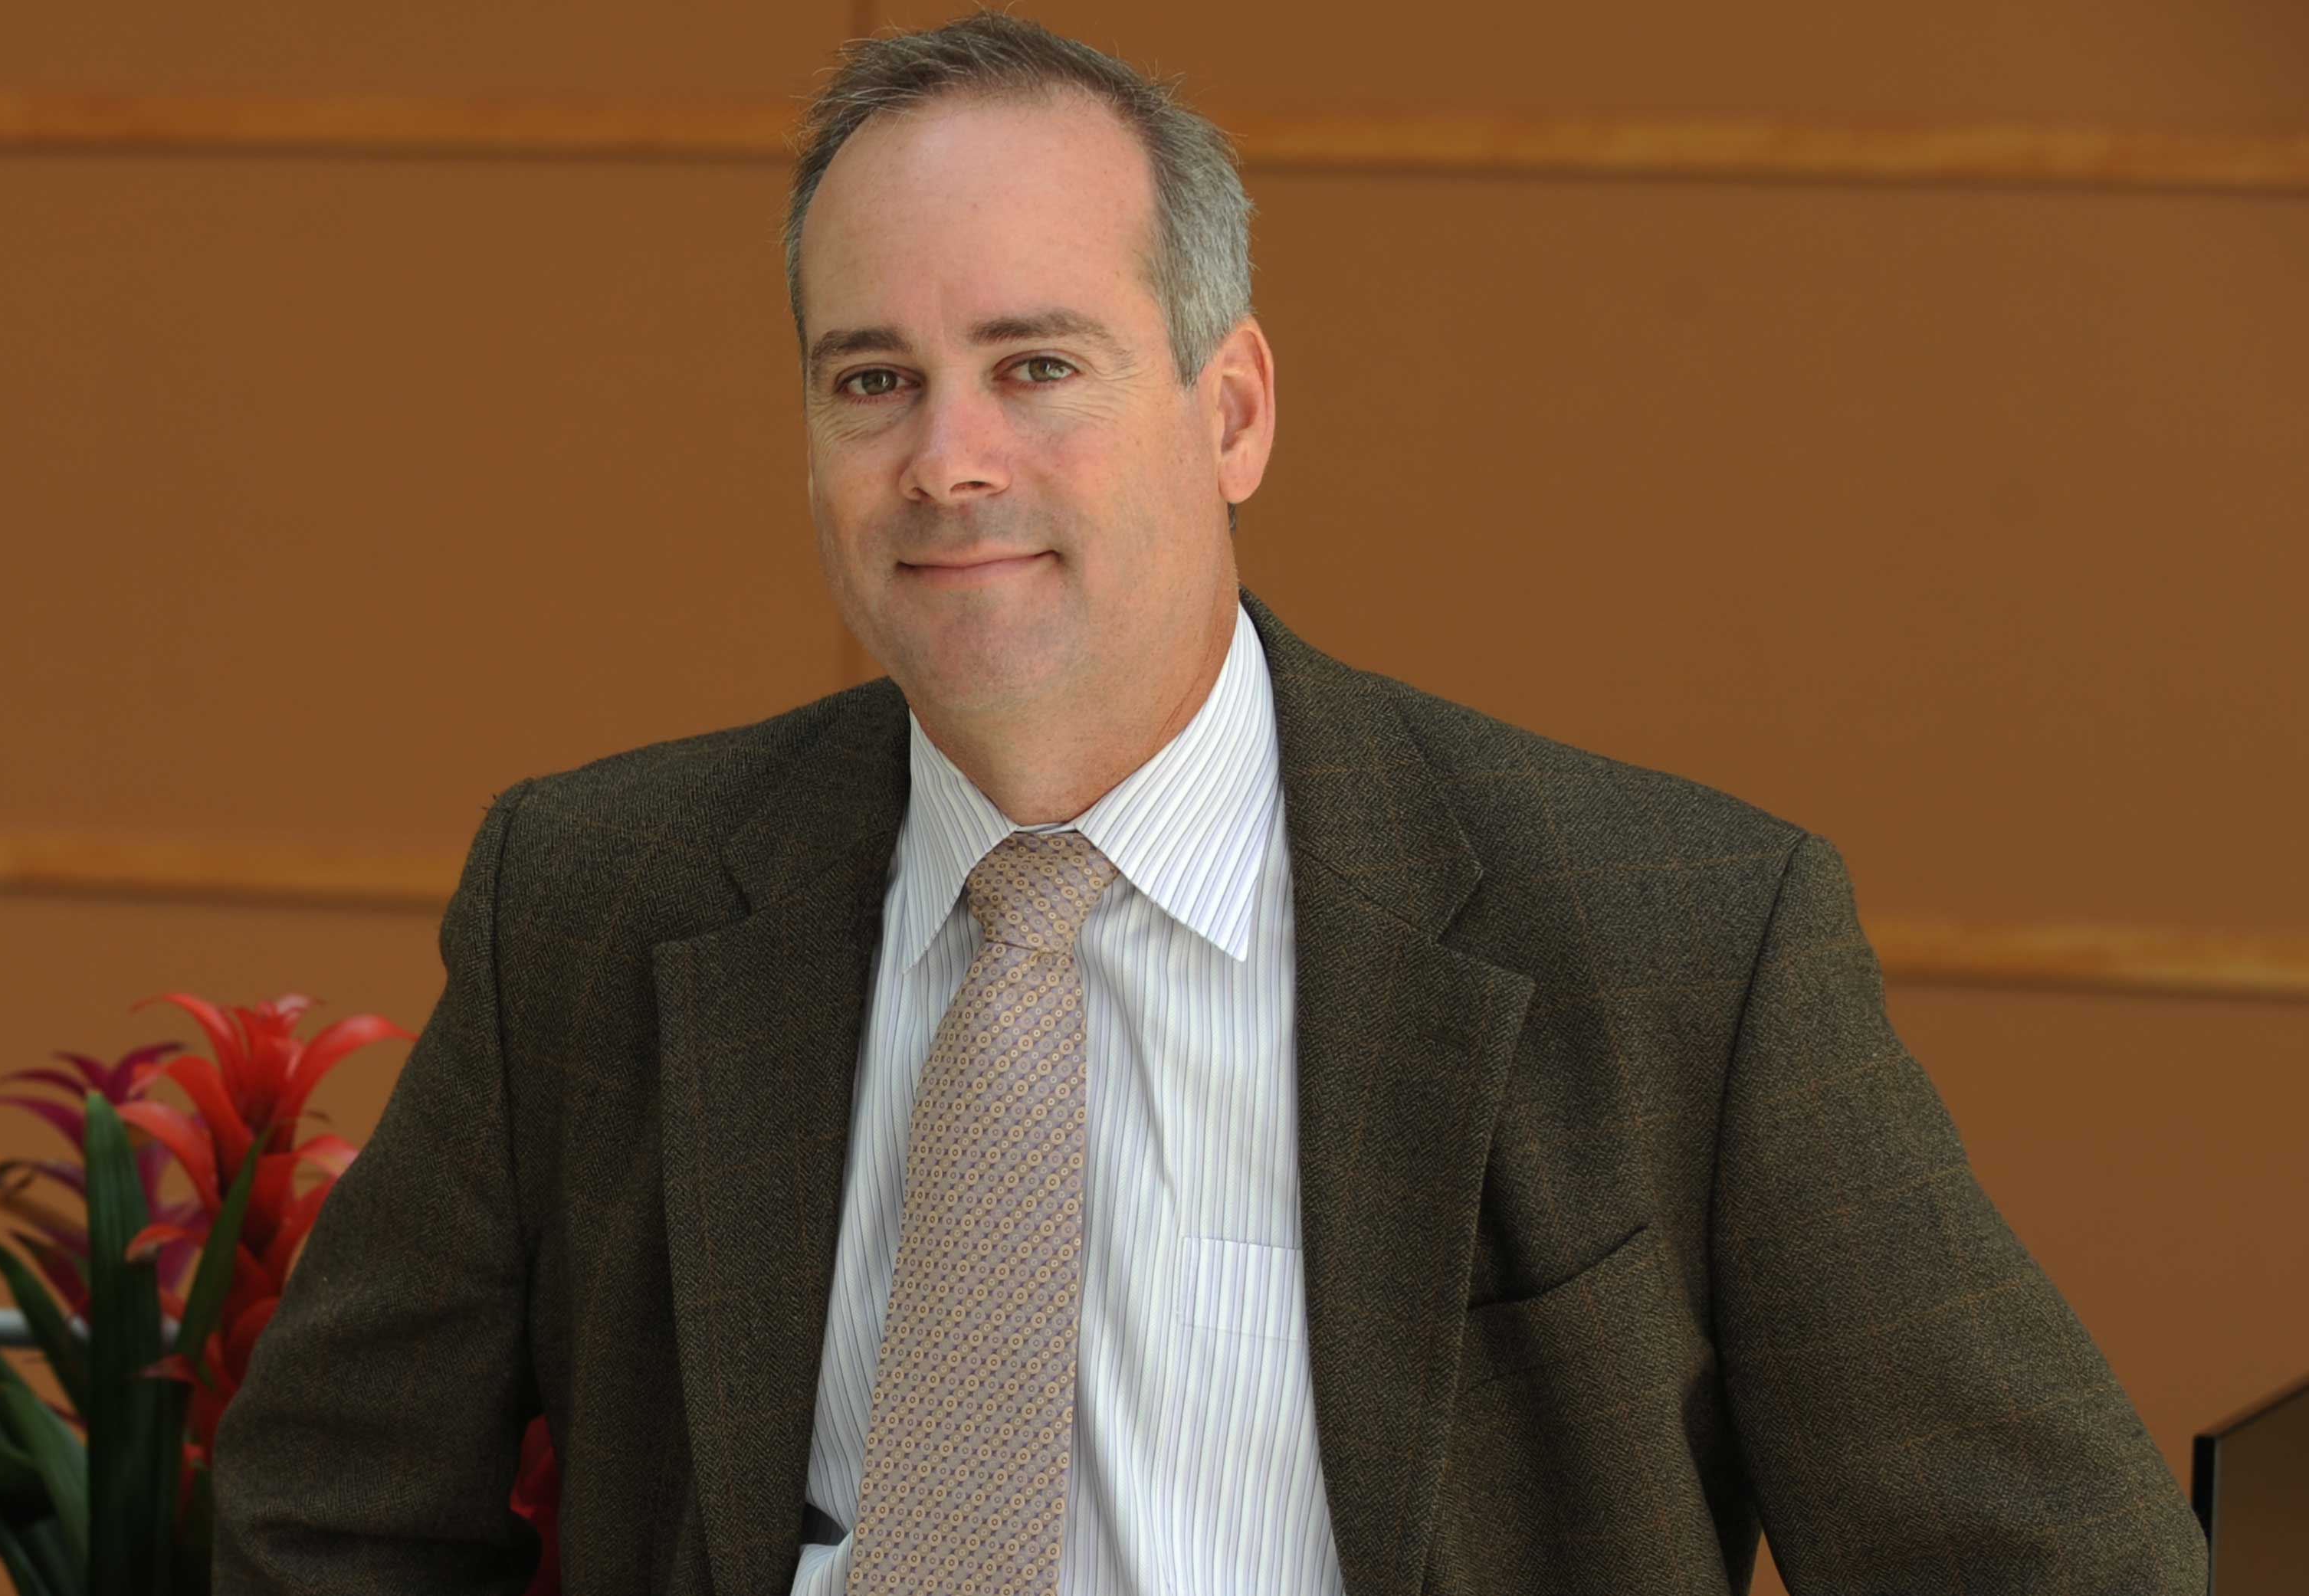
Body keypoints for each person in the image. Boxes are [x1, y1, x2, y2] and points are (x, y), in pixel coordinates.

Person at [210, 11, 2202, 1596]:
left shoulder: (1677, 943)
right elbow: (330, 1514)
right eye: (872, 383)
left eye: (1037, 363)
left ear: (1232, 408)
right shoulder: (598, 898)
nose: (949, 462)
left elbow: (2052, 1566)